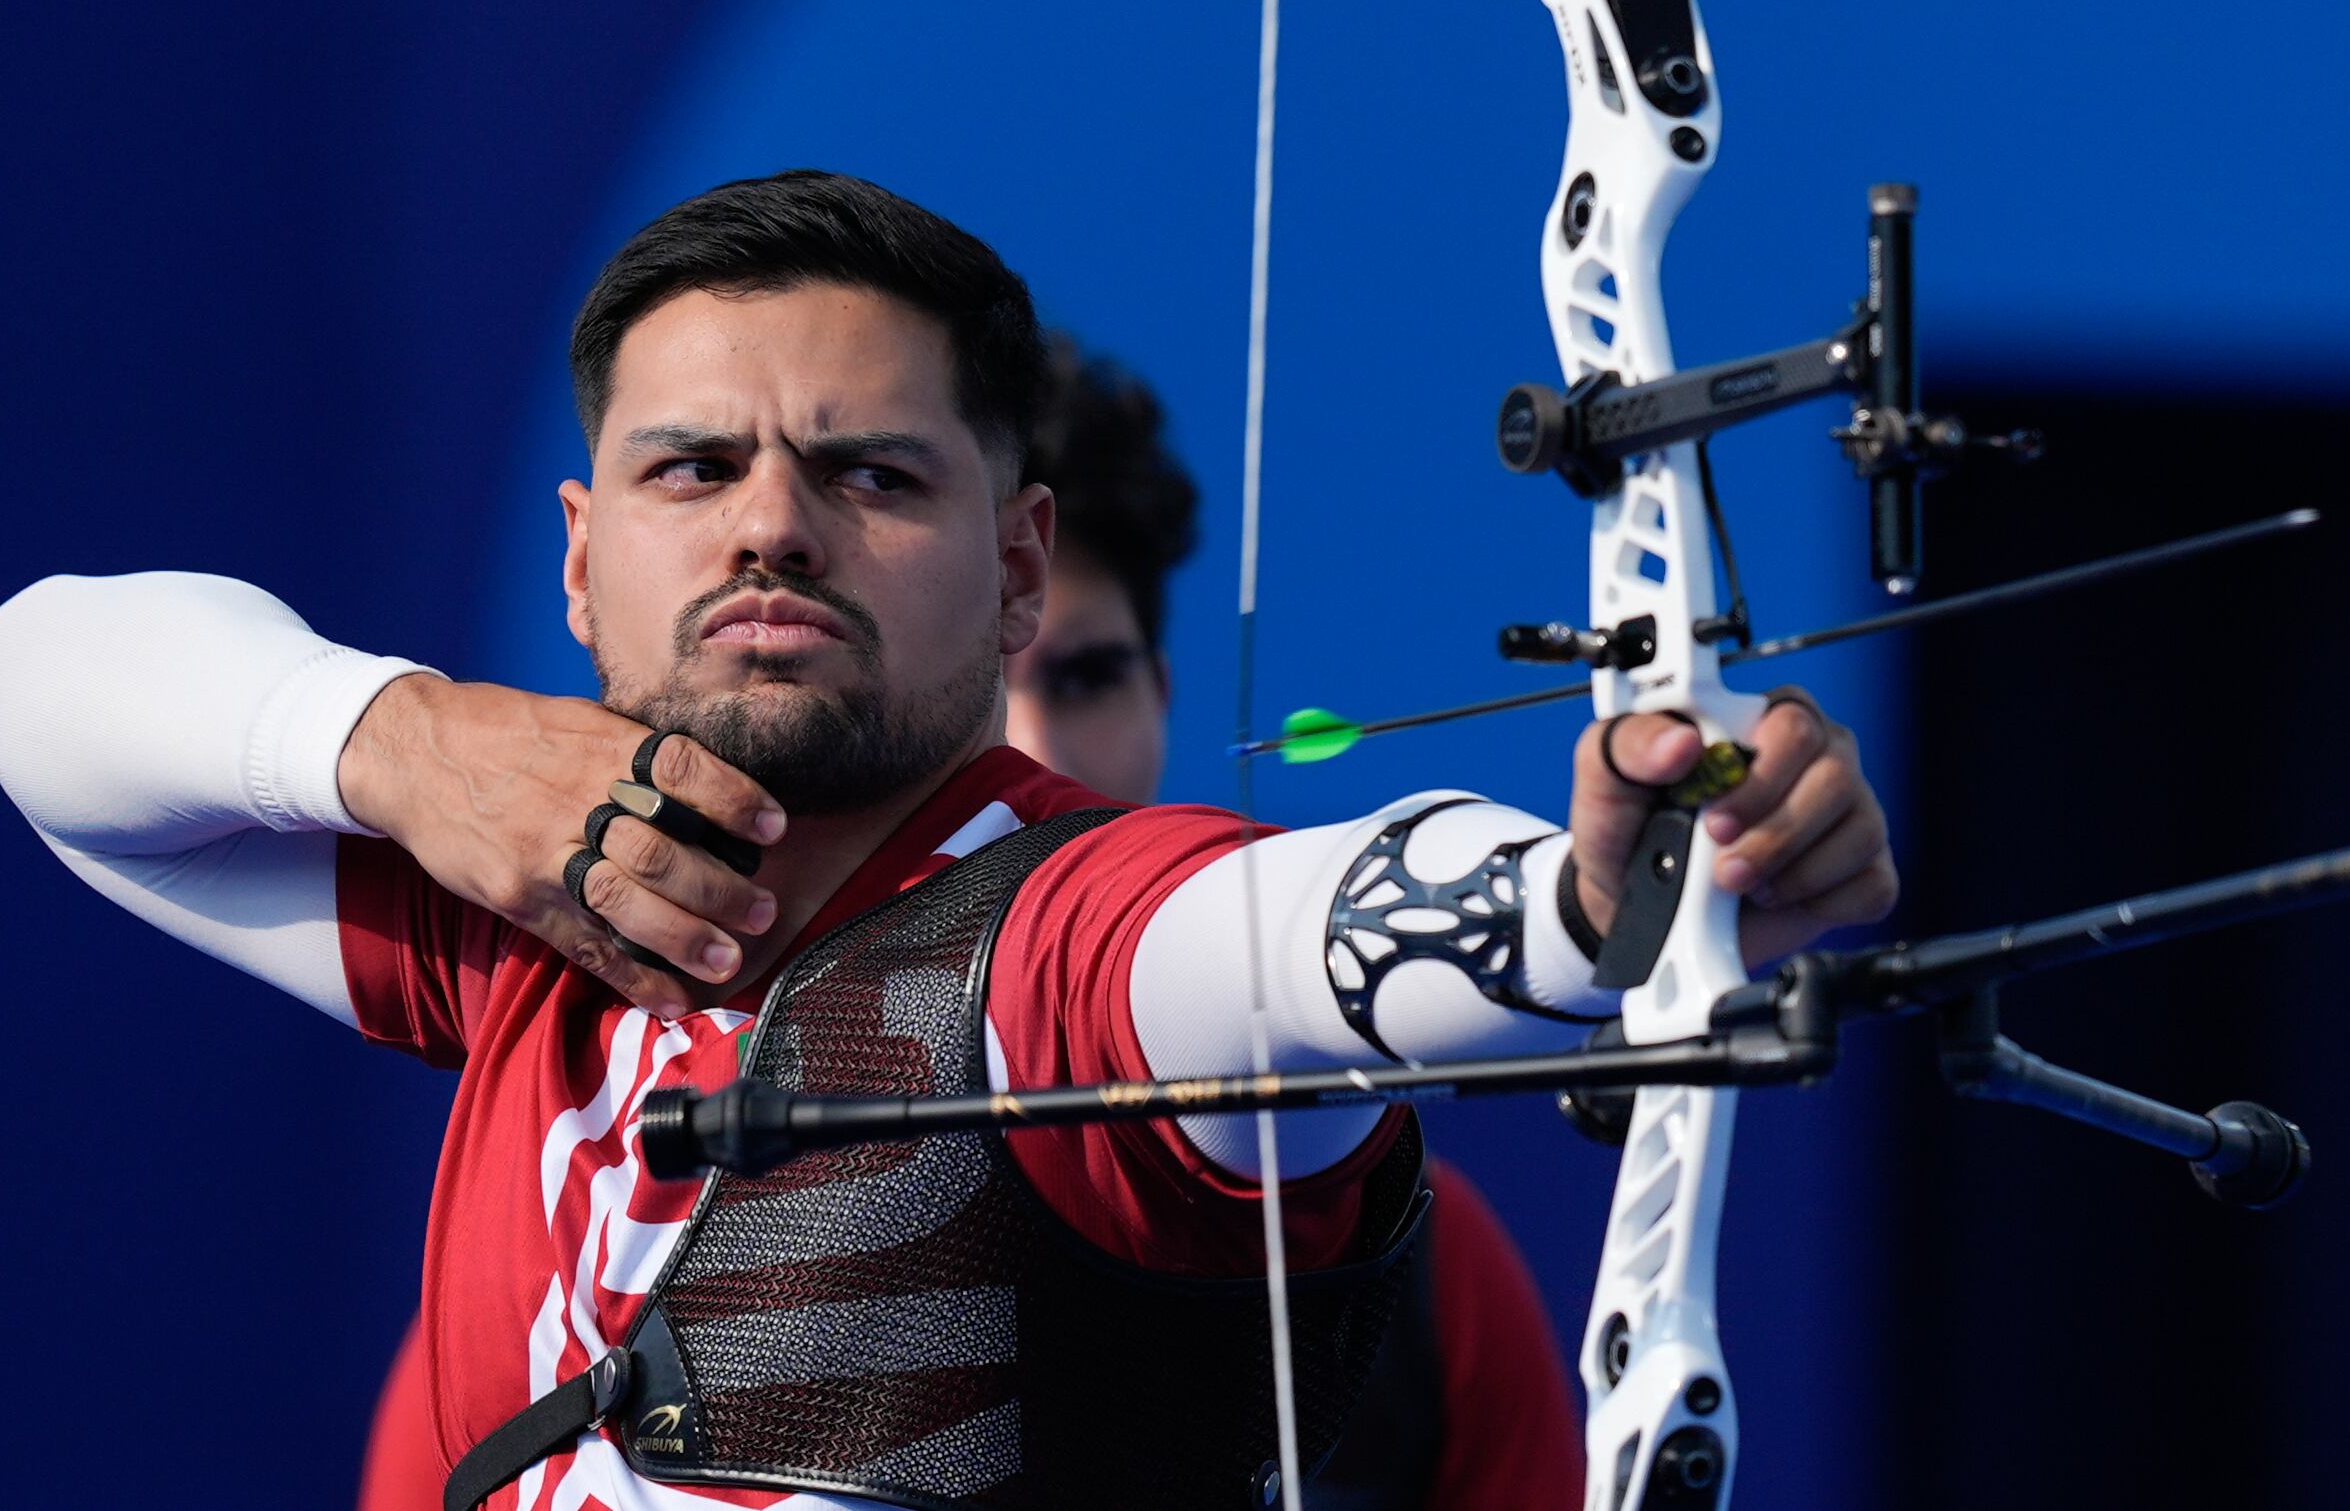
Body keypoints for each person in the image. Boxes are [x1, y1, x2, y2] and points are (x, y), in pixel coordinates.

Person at [0, 171, 1898, 1511]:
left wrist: (1593, 906)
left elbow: (1283, 944)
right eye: (689, 468)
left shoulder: (1065, 941)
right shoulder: (527, 916)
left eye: (871, 472)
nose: (770, 525)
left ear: (1021, 567)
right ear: (575, 557)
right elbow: (26, 684)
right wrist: (395, 736)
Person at [355, 336, 1585, 1509]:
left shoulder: (1432, 1274)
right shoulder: (570, 1246)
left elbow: (1330, 922)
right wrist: (397, 735)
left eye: (1087, 678)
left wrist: (1594, 901)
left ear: (1160, 693)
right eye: (996, 704)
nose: (1036, 749)